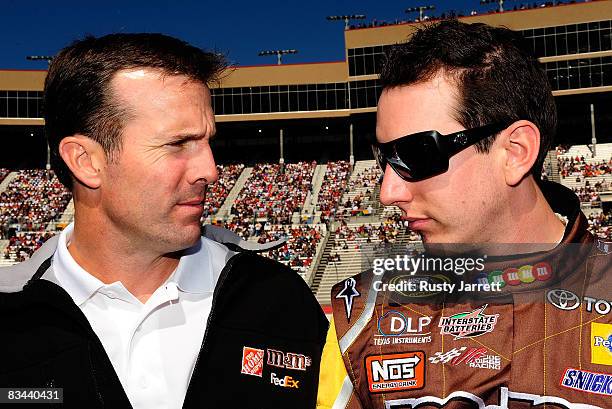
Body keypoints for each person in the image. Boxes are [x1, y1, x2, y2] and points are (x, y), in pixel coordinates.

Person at [0, 33, 328, 409]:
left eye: (208, 143)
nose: (210, 170)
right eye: (177, 144)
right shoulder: (10, 318)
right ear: (86, 161)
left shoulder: (278, 300)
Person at [317, 20, 610, 409]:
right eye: (384, 158)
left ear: (516, 152)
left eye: (418, 154)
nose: (388, 192)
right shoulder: (359, 319)